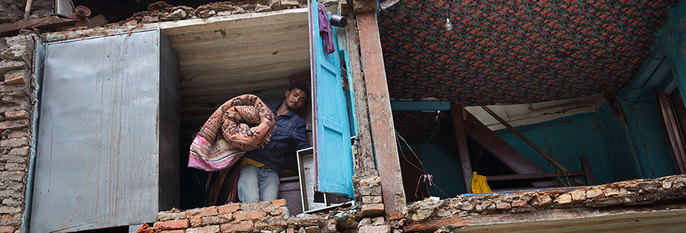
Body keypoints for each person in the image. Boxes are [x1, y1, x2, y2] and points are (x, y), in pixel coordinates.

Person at [237, 82, 311, 203]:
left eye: (301, 99)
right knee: (250, 203)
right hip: (250, 164)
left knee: (270, 207)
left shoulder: (297, 123)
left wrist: (314, 165)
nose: (296, 99)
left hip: (271, 170)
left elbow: (303, 149)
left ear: (302, 104)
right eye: (295, 95)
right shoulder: (265, 110)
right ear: (287, 93)